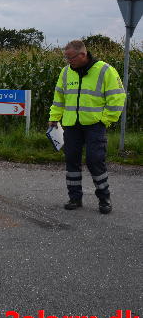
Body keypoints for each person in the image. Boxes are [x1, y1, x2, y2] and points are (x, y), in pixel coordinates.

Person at [49, 40, 126, 214]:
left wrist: (105, 120)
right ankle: (75, 198)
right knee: (71, 161)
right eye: (66, 58)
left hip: (94, 125)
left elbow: (117, 97)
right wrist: (54, 118)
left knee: (95, 161)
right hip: (71, 125)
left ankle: (104, 198)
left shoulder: (105, 70)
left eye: (71, 58)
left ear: (82, 55)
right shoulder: (66, 72)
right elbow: (59, 97)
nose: (68, 62)